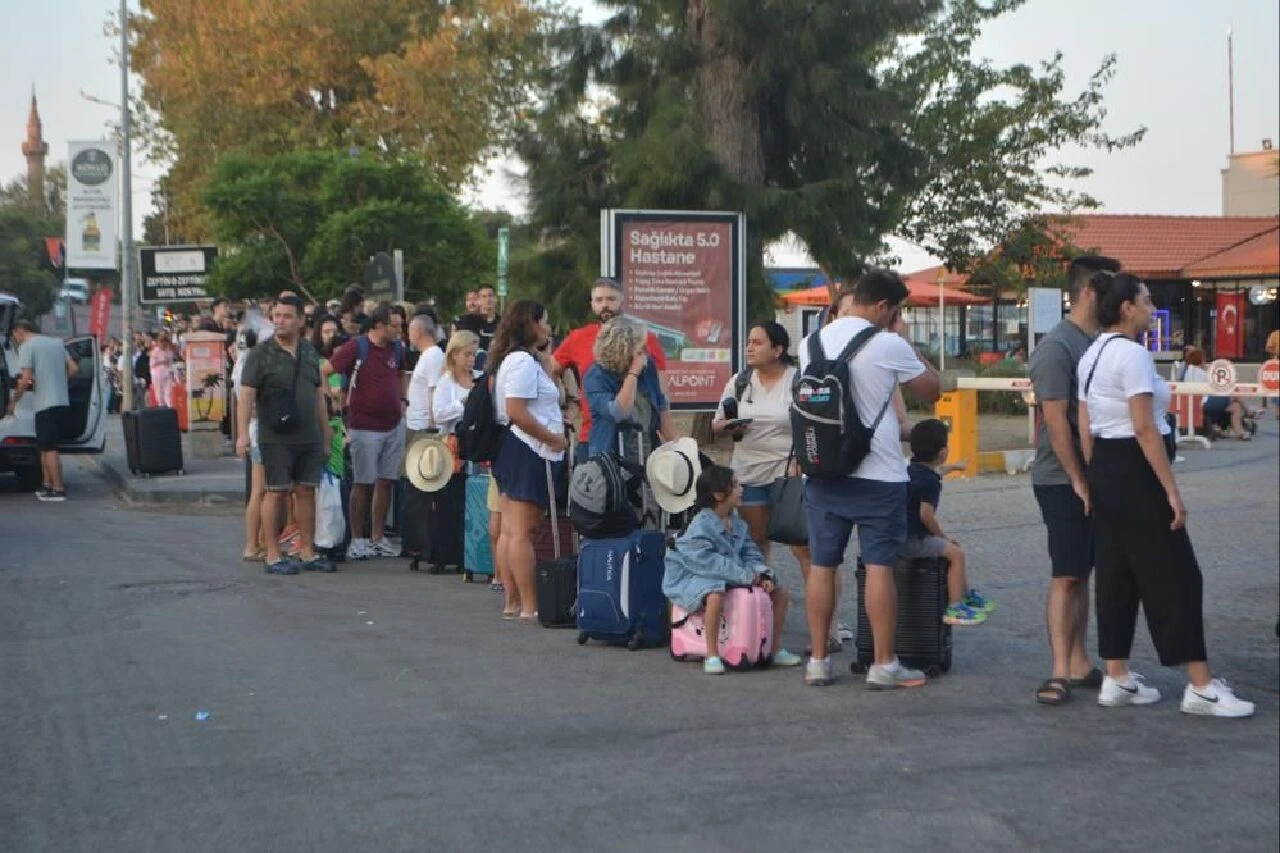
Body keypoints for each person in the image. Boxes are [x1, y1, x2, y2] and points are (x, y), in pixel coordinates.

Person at [1077, 272, 1253, 717]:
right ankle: (1201, 687)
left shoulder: (1091, 353)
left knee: (1117, 575)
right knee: (1177, 575)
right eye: (1147, 300)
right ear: (1127, 309)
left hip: (1105, 467)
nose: (1152, 308)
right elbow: (1143, 427)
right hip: (1136, 469)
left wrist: (1092, 478)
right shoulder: (1133, 356)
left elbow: (1085, 425)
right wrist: (1170, 491)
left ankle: (1115, 676)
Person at [799, 270, 941, 689]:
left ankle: (819, 662)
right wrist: (905, 338)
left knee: (823, 565)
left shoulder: (813, 342)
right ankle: (883, 665)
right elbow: (932, 390)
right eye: (895, 312)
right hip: (878, 472)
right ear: (884, 307)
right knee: (880, 565)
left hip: (823, 468)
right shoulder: (888, 343)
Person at [1027, 254, 1118, 706]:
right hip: (1060, 479)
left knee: (1083, 572)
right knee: (1066, 574)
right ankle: (1059, 671)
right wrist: (1077, 479)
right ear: (1088, 292)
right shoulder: (1058, 347)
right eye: (1112, 291)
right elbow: (1055, 421)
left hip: (1093, 476)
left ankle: (1080, 663)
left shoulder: (1100, 341)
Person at [662, 465, 804, 674]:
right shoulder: (700, 525)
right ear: (719, 495)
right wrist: (747, 576)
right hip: (690, 576)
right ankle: (711, 653)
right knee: (715, 594)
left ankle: (772, 648)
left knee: (779, 593)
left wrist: (763, 574)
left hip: (724, 574)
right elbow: (707, 562)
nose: (741, 490)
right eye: (735, 485)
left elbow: (751, 553)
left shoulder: (737, 524)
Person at [236, 295, 334, 574]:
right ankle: (273, 555)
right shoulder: (261, 354)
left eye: (287, 316)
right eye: (277, 316)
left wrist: (326, 436)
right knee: (275, 493)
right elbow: (246, 396)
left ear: (301, 320)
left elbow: (319, 397)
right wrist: (242, 435)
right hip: (274, 435)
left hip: (308, 435)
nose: (280, 321)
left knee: (306, 491)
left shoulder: (309, 352)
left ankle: (306, 551)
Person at [490, 300, 568, 621]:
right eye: (545, 321)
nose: (548, 328)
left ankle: (514, 601)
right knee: (522, 530)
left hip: (518, 449)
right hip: (530, 450)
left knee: (511, 530)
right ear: (532, 324)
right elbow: (516, 410)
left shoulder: (518, 360)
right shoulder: (522, 362)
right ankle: (529, 604)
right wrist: (552, 438)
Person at [550, 277, 668, 464]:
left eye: (611, 299)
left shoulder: (646, 339)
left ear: (622, 301)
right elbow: (550, 370)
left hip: (640, 439)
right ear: (592, 304)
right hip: (594, 437)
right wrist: (569, 404)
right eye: (599, 300)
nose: (605, 305)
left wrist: (671, 439)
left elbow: (660, 397)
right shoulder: (578, 338)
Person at [324, 303, 407, 560]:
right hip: (364, 426)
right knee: (363, 483)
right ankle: (358, 539)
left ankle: (377, 537)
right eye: (394, 326)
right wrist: (331, 404)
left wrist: (402, 401)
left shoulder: (397, 349)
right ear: (379, 325)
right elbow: (325, 370)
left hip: (393, 424)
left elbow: (401, 373)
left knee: (386, 482)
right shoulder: (356, 347)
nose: (399, 330)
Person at [904, 419, 992, 626]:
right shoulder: (931, 483)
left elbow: (934, 471)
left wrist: (953, 467)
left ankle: (965, 594)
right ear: (943, 452)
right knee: (956, 553)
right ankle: (956, 607)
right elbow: (926, 514)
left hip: (897, 535)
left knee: (953, 549)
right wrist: (942, 537)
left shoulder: (910, 469)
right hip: (912, 540)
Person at [583, 316, 677, 459]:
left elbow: (661, 409)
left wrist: (679, 447)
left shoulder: (648, 366)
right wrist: (633, 373)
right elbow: (619, 412)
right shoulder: (596, 376)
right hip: (612, 455)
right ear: (623, 349)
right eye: (641, 348)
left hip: (645, 449)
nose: (646, 351)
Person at [7, 320, 77, 501]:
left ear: (18, 331)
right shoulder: (56, 343)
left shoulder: (27, 347)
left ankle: (59, 488)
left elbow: (25, 379)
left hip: (45, 404)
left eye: (14, 336)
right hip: (61, 402)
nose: (15, 340)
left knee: (49, 448)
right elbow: (74, 369)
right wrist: (59, 382)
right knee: (44, 446)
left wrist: (14, 401)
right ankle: (47, 485)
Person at [231, 328, 267, 561]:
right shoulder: (252, 364)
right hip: (260, 430)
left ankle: (260, 541)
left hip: (256, 429)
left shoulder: (240, 363)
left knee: (263, 491)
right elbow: (249, 401)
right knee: (260, 491)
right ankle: (253, 544)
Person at [1182, 347, 1255, 440]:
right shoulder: (1202, 373)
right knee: (1234, 397)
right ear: (1200, 359)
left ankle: (1239, 430)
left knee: (1235, 406)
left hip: (1196, 403)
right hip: (1205, 402)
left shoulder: (1189, 371)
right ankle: (1245, 420)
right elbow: (1217, 386)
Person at [406, 314, 445, 439]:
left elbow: (435, 390)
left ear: (417, 331)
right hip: (416, 422)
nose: (409, 336)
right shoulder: (427, 355)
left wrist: (432, 424)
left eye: (410, 331)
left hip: (423, 425)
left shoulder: (433, 355)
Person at [454, 284, 500, 369]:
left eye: (490, 296)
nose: (488, 299)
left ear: (496, 299)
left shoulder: (503, 323)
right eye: (484, 296)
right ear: (478, 300)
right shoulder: (467, 322)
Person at [149, 330, 179, 408]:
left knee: (168, 392)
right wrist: (162, 362)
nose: (163, 344)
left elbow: (171, 362)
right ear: (159, 343)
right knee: (159, 393)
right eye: (161, 342)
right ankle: (161, 407)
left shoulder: (169, 351)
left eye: (165, 342)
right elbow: (152, 364)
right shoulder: (155, 352)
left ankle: (169, 407)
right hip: (158, 374)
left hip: (167, 373)